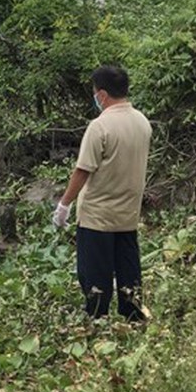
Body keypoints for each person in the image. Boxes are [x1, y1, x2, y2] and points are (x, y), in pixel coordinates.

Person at [53, 65, 152, 320]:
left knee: (95, 272)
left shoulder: (100, 126)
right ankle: (132, 315)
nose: (95, 97)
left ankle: (97, 317)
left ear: (103, 95)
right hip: (128, 213)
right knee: (128, 268)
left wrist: (64, 205)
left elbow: (82, 170)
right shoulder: (142, 122)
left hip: (97, 215)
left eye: (95, 92)